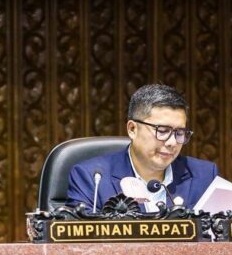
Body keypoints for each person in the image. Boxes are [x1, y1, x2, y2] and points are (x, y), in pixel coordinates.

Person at [67, 84, 218, 211]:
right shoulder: (92, 179)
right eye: (162, 131)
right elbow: (81, 236)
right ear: (132, 129)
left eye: (179, 132)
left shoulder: (204, 175)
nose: (172, 142)